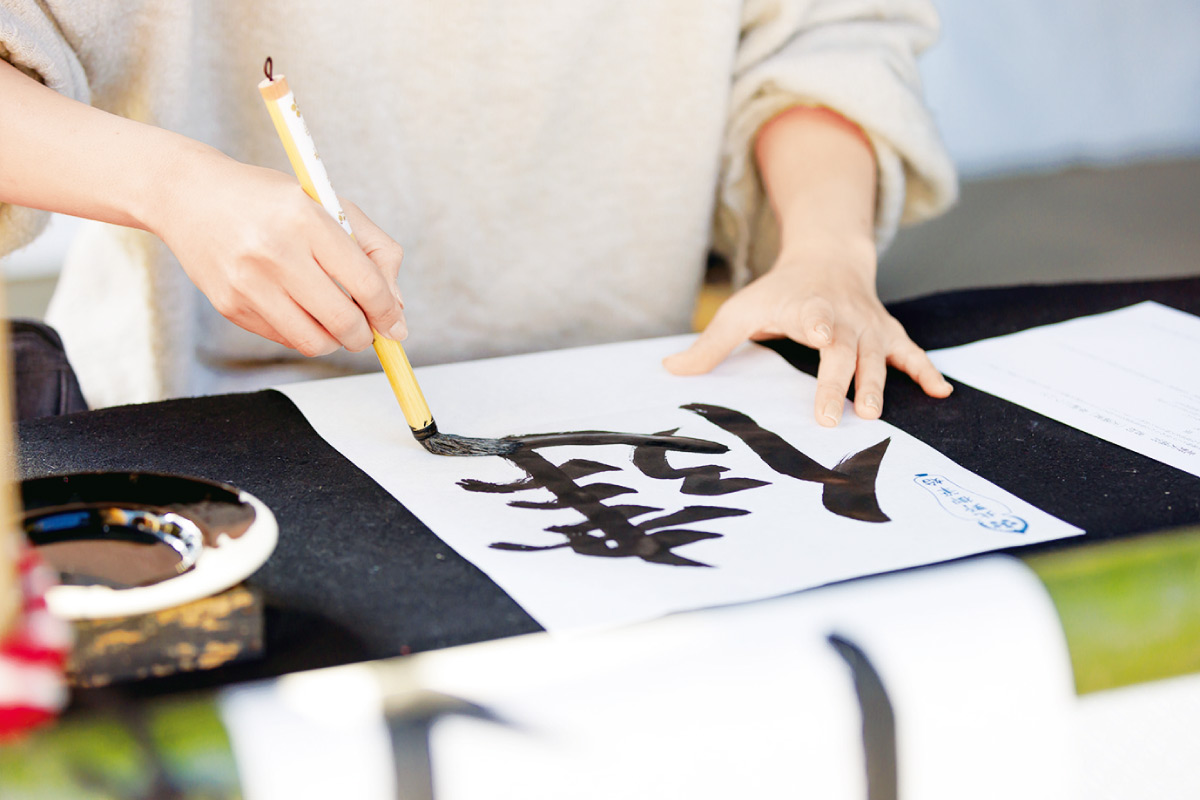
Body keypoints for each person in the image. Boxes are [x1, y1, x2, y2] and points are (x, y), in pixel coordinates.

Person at [0, 1, 957, 425]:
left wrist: (827, 251)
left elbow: (820, 33)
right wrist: (173, 184)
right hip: (217, 424)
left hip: (622, 390)